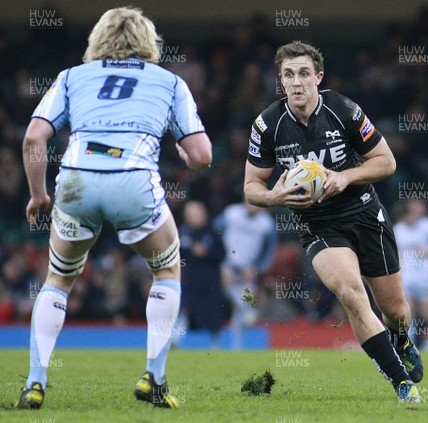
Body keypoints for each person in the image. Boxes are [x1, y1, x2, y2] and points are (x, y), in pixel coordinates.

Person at [16, 7, 212, 409]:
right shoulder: (170, 82)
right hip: (132, 181)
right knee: (167, 270)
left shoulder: (71, 77)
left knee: (58, 279)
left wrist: (38, 194)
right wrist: (182, 151)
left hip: (76, 180)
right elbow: (202, 156)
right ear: (148, 42)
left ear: (97, 40)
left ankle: (35, 383)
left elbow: (34, 139)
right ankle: (153, 378)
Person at [243, 41, 422, 402]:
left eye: (304, 74)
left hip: (365, 214)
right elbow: (251, 188)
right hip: (318, 225)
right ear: (280, 80)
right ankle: (401, 383)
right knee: (351, 294)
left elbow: (386, 163)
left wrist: (346, 177)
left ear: (318, 77)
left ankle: (400, 339)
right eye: (288, 75)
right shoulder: (267, 125)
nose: (296, 82)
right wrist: (274, 197)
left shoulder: (344, 110)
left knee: (397, 311)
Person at [215, 199, 277, 349]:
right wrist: (220, 263)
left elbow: (269, 252)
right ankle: (215, 343)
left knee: (243, 309)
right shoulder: (231, 213)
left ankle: (237, 346)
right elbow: (215, 233)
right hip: (226, 267)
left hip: (247, 271)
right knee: (219, 303)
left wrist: (256, 269)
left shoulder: (266, 223)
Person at [393, 199, 428, 349]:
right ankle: (410, 344)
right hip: (407, 275)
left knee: (427, 311)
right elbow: (395, 252)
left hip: (427, 275)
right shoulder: (398, 229)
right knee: (408, 311)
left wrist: (427, 251)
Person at [177, 201, 226, 348]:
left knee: (212, 314)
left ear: (204, 214)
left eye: (197, 214)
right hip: (188, 281)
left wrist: (207, 252)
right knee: (183, 310)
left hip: (210, 283)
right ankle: (174, 341)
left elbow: (222, 254)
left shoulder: (214, 232)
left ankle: (216, 344)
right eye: (191, 214)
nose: (195, 217)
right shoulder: (181, 233)